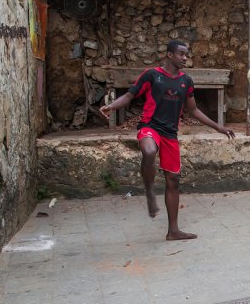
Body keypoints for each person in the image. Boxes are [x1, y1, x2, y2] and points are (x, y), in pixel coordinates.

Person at [100, 40, 235, 240]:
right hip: (149, 127)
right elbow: (129, 96)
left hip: (170, 134)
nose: (185, 58)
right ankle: (149, 193)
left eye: (187, 54)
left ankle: (173, 231)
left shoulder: (186, 81)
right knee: (149, 151)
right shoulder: (152, 75)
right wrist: (111, 106)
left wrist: (218, 127)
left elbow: (194, 110)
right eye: (181, 54)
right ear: (169, 55)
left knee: (173, 181)